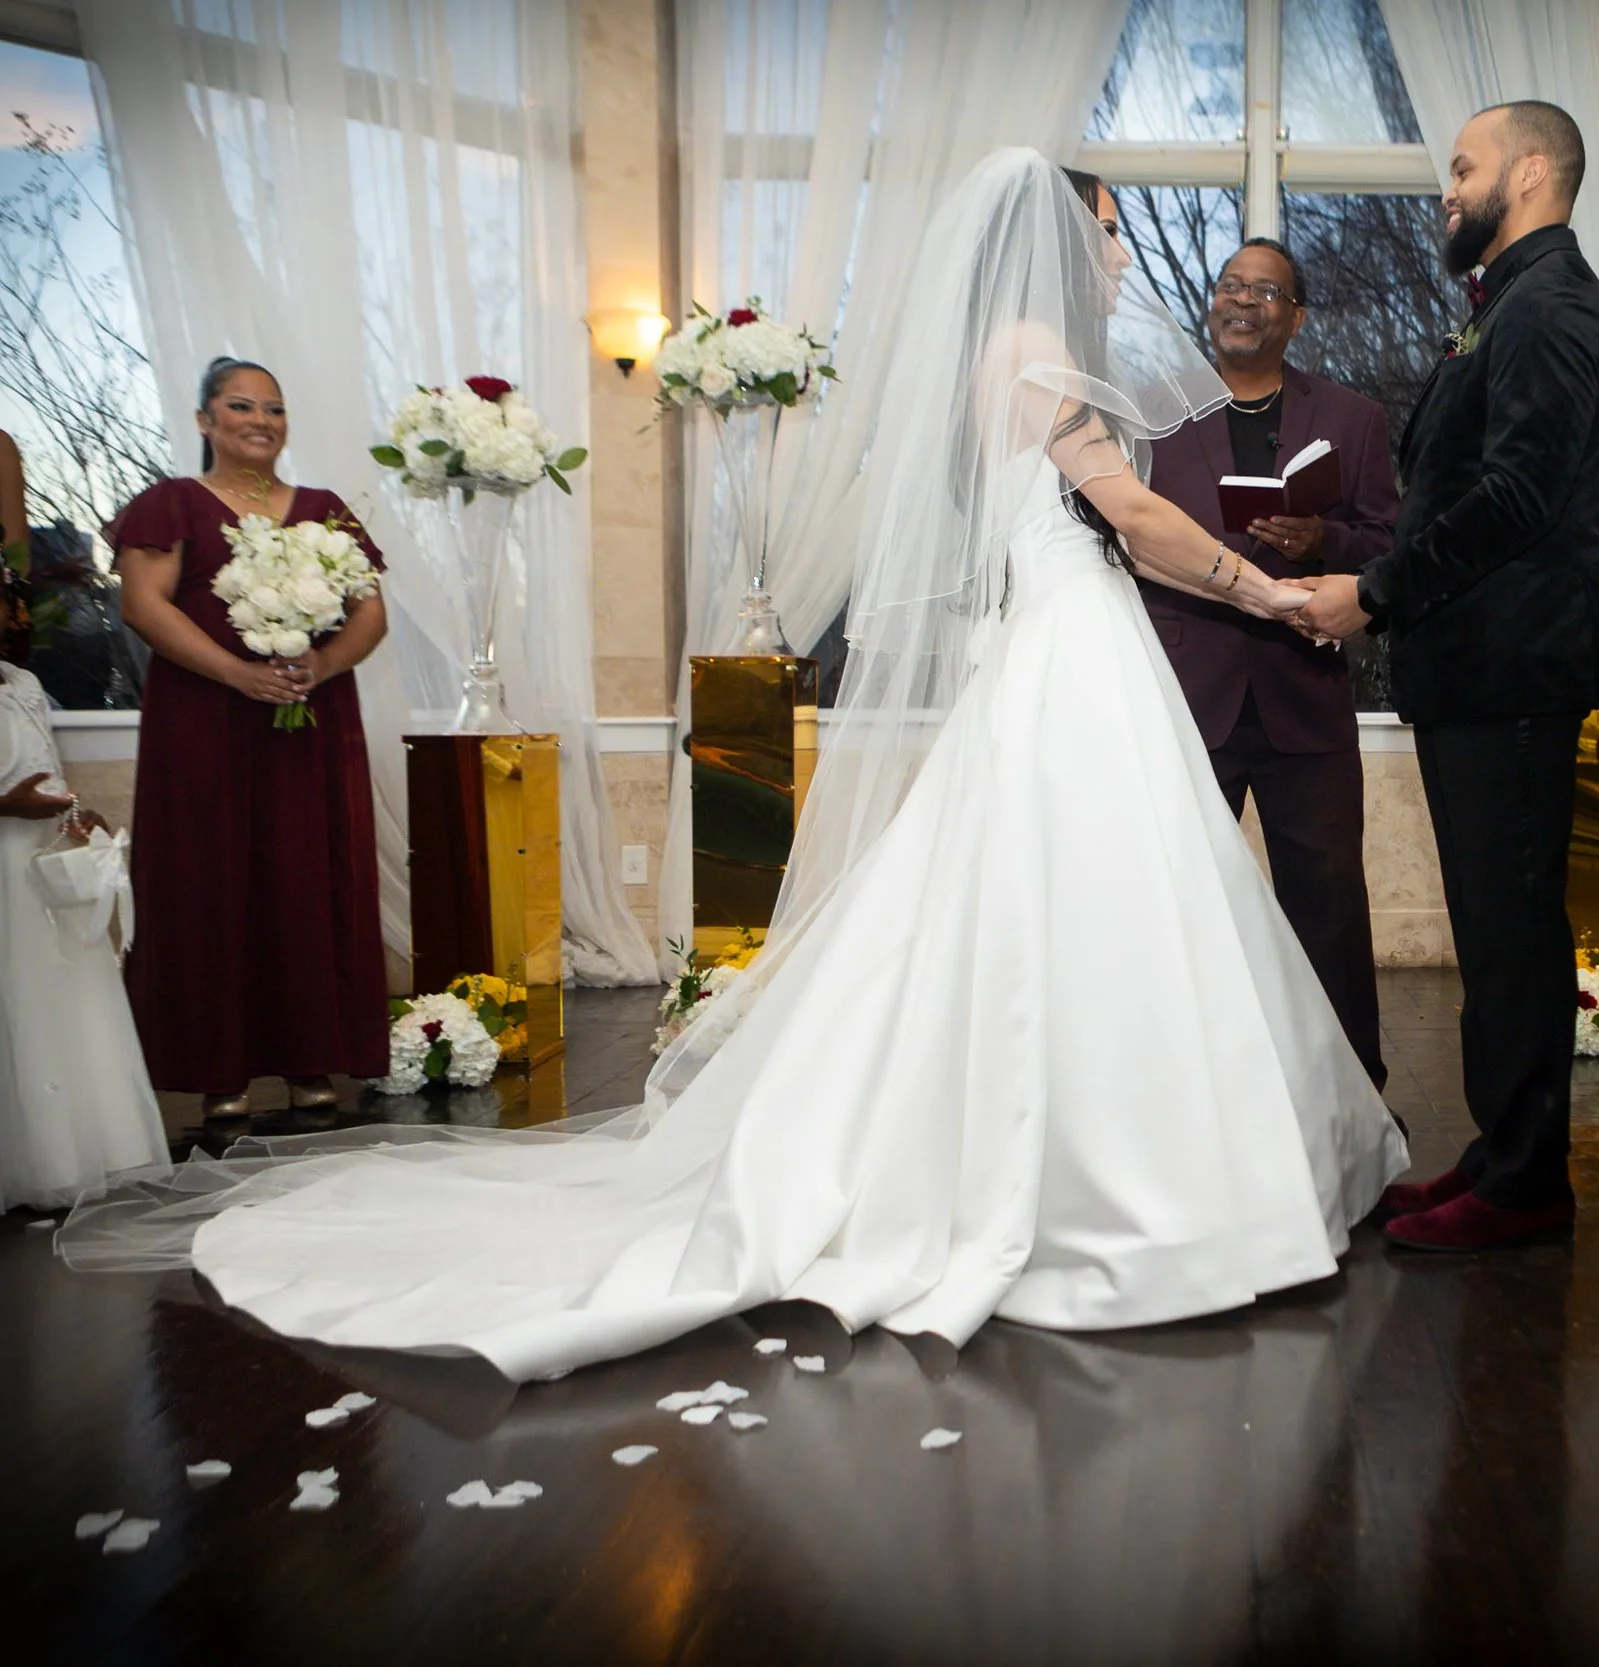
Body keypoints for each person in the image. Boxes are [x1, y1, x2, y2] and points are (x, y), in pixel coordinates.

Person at [60, 151, 1405, 1380]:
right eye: (1105, 230)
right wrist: (1271, 594)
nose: (1118, 252)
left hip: (1061, 644)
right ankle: (1116, 1183)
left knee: (1049, 910)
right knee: (1084, 904)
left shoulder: (1013, 353)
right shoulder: (1039, 351)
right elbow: (1136, 516)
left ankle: (1094, 1156)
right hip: (1069, 649)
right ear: (1055, 240)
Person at [1293, 101, 1599, 1251]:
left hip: (1513, 667)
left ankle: (1527, 1186)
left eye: (1464, 166)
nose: (1447, 187)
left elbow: (1518, 497)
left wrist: (1374, 591)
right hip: (1478, 668)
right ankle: (1500, 1151)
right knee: (1491, 931)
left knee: (1513, 930)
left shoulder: (1552, 304)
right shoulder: (1506, 303)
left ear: (1529, 174)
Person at [1141, 237, 1400, 1089]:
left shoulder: (1353, 418)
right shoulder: (1152, 414)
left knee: (1328, 913)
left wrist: (1323, 540)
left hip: (1304, 697)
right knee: (1176, 911)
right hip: (1186, 700)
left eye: (1264, 290)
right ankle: (1177, 1099)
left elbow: (1389, 545)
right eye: (1230, 285)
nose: (1241, 300)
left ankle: (1352, 1108)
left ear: (1297, 316)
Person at [108, 359, 392, 1121]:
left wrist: (322, 664)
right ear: (205, 421)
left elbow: (370, 613)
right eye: (241, 406)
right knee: (209, 876)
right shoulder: (171, 503)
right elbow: (143, 606)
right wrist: (237, 674)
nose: (261, 420)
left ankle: (309, 1056)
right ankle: (219, 1071)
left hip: (306, 723)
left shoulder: (326, 509)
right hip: (204, 724)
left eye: (274, 407)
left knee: (304, 876)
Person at [1, 471, 169, 1211]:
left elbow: (43, 767)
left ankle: (85, 1150)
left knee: (66, 1001)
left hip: (41, 870)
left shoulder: (23, 686)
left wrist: (78, 814)